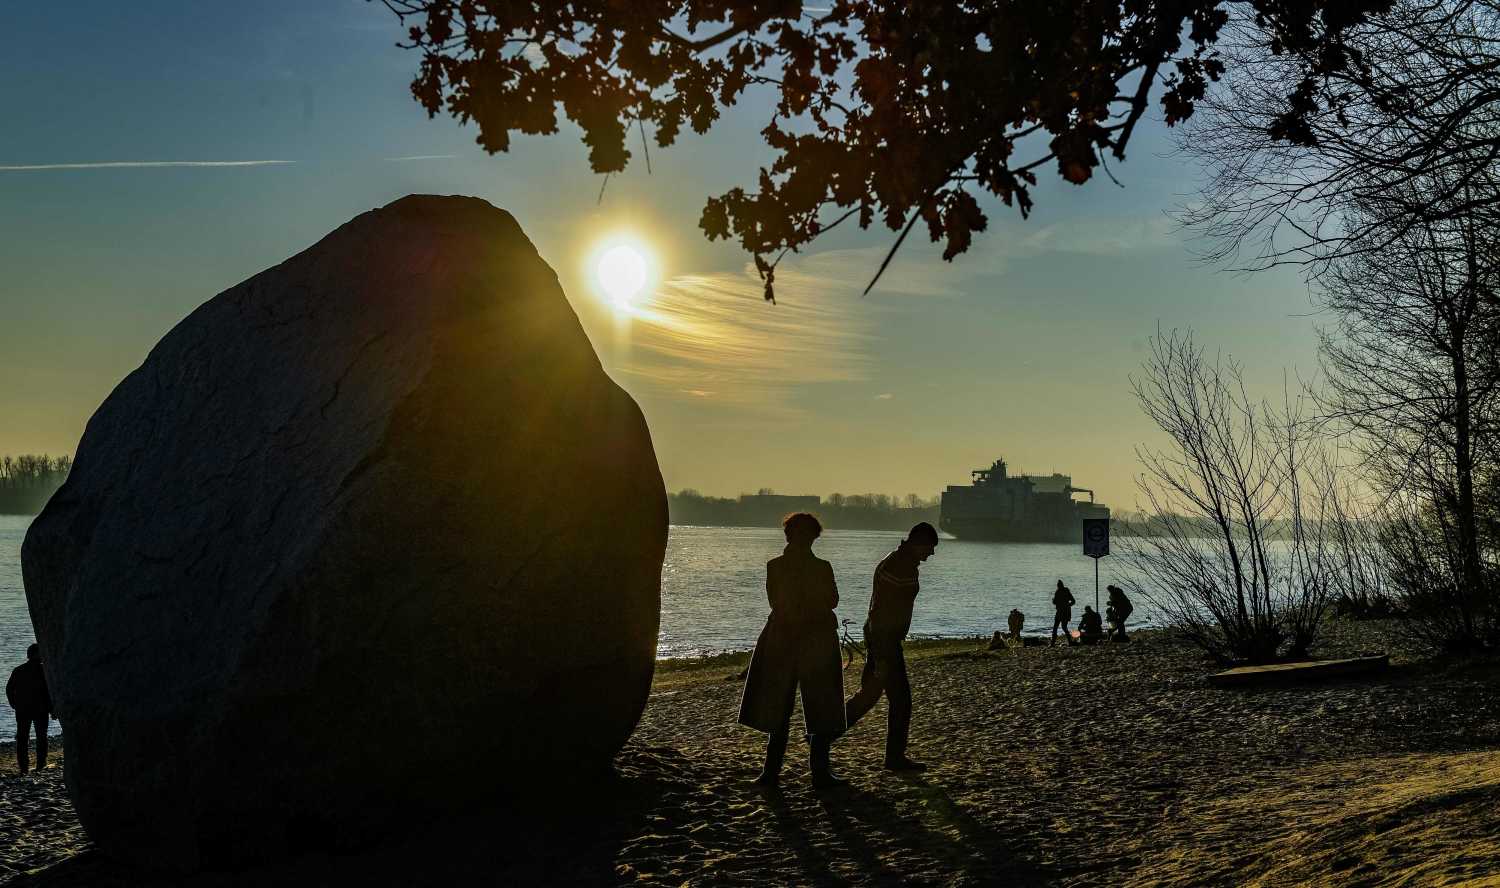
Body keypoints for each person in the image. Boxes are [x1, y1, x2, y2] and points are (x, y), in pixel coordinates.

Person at [738, 513, 847, 788]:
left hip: (787, 638)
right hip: (810, 639)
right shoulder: (819, 567)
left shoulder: (777, 566)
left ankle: (772, 773)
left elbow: (779, 601)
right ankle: (816, 773)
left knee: (782, 706)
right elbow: (830, 600)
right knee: (814, 705)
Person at [845, 522, 939, 772]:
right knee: (901, 700)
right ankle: (894, 758)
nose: (930, 555)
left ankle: (821, 733)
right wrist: (882, 653)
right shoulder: (899, 566)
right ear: (919, 543)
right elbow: (882, 610)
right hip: (884, 641)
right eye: (929, 548)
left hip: (883, 638)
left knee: (869, 695)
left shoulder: (900, 562)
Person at [7, 644, 52, 775]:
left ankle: (24, 768)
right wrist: (52, 709)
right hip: (41, 709)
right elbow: (50, 691)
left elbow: (9, 689)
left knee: (22, 738)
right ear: (37, 654)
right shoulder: (45, 671)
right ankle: (41, 765)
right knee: (41, 737)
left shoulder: (18, 670)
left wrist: (13, 703)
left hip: (23, 709)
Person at [1050, 580, 1075, 646]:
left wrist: (1053, 600)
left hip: (1060, 612)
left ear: (1058, 586)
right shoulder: (1067, 591)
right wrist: (1068, 605)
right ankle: (1070, 641)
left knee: (1055, 627)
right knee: (1064, 627)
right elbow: (1073, 601)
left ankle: (1052, 643)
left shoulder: (1058, 592)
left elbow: (1055, 602)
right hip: (1067, 612)